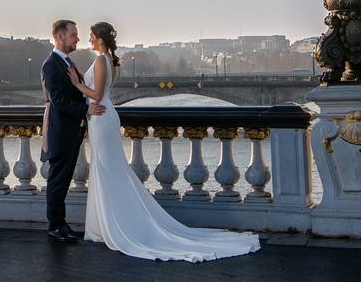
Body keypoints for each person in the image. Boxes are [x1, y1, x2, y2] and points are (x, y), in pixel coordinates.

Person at [66, 21, 261, 262]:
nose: (89, 40)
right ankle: (104, 225)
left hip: (101, 116)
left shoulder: (100, 60)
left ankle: (107, 226)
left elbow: (96, 94)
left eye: (92, 36)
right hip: (103, 115)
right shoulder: (109, 61)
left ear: (101, 39)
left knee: (106, 170)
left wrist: (76, 84)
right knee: (109, 170)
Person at [41, 19, 105, 243]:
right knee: (58, 181)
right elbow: (57, 99)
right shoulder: (51, 64)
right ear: (60, 37)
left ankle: (61, 225)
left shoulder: (67, 63)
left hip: (70, 131)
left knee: (64, 179)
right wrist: (86, 109)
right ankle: (55, 226)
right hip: (60, 132)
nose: (77, 38)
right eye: (73, 35)